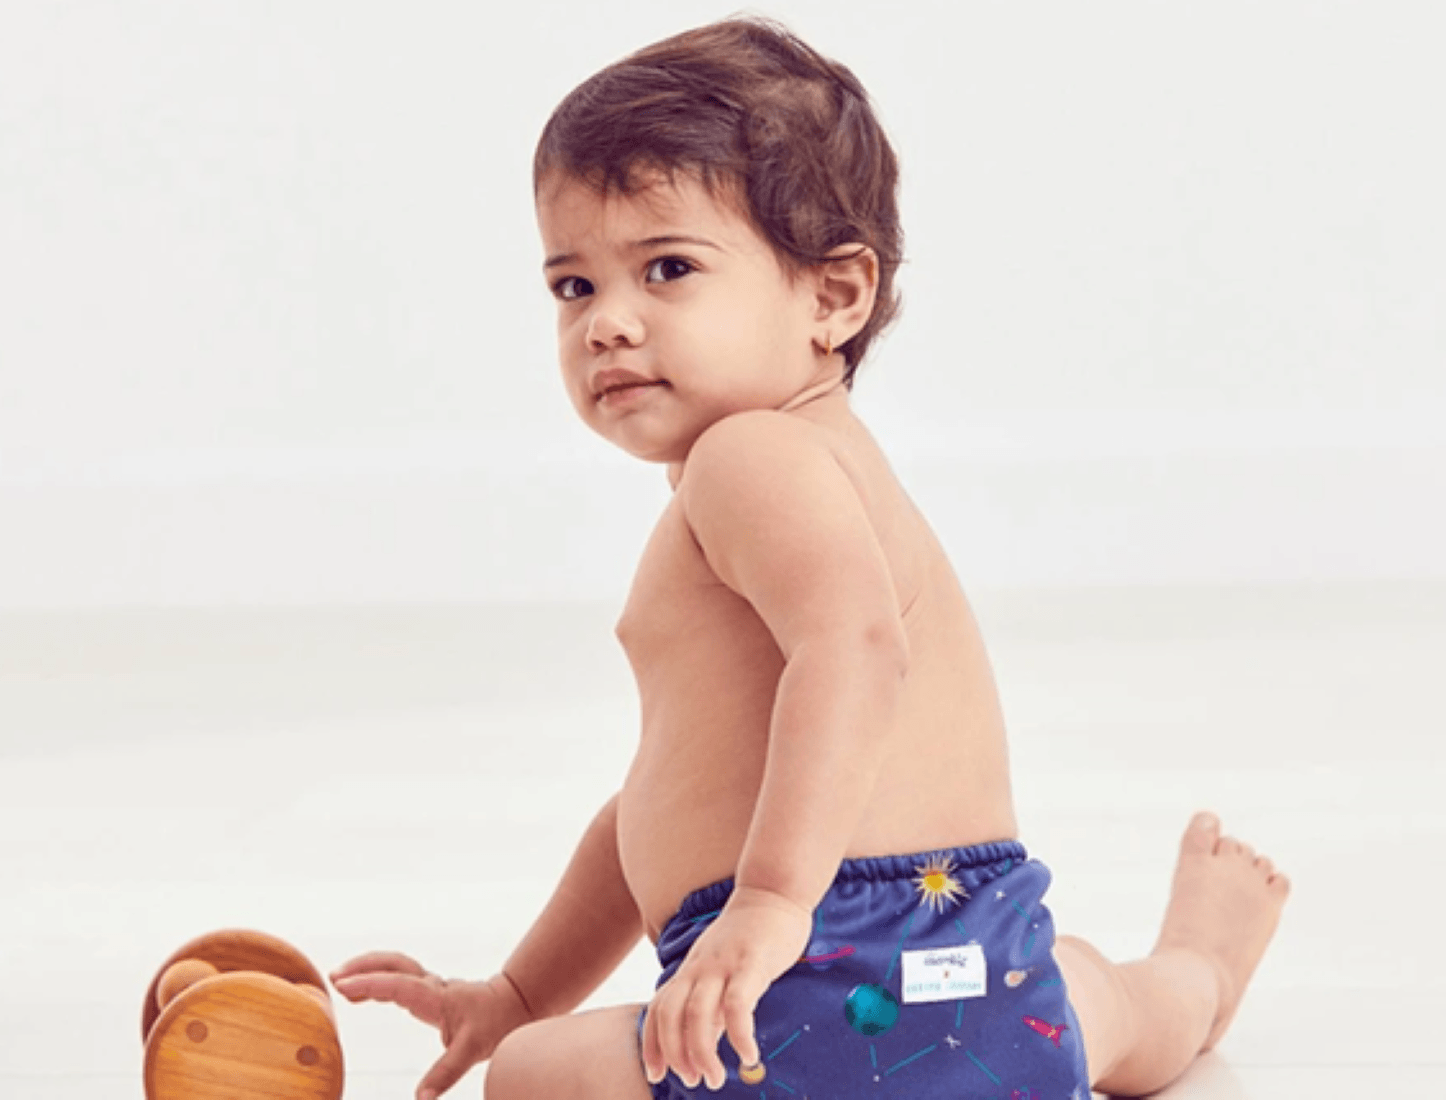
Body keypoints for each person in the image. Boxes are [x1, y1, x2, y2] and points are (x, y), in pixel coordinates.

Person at [330, 17, 1289, 1099]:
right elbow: (648, 811)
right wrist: (514, 987)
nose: (607, 323)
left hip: (830, 978)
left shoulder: (750, 457)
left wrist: (772, 901)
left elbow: (854, 648)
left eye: (667, 267)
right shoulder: (808, 467)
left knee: (535, 1077)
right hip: (993, 972)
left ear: (833, 296)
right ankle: (1194, 972)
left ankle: (1166, 979)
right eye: (574, 286)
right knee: (1090, 996)